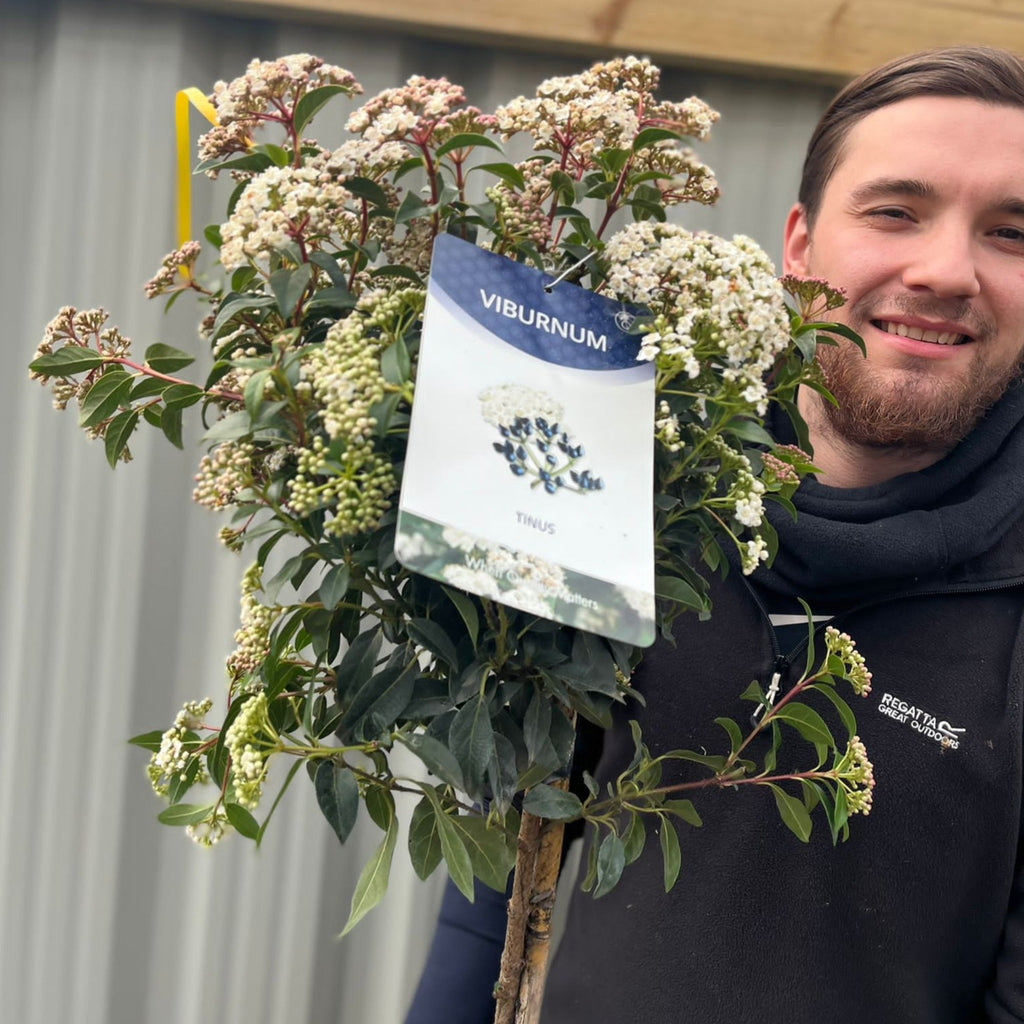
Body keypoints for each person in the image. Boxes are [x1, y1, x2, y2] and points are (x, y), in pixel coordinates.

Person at [405, 46, 1024, 1023]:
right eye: (895, 210)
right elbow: (495, 885)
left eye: (1010, 233)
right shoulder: (631, 477)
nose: (945, 269)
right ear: (799, 244)